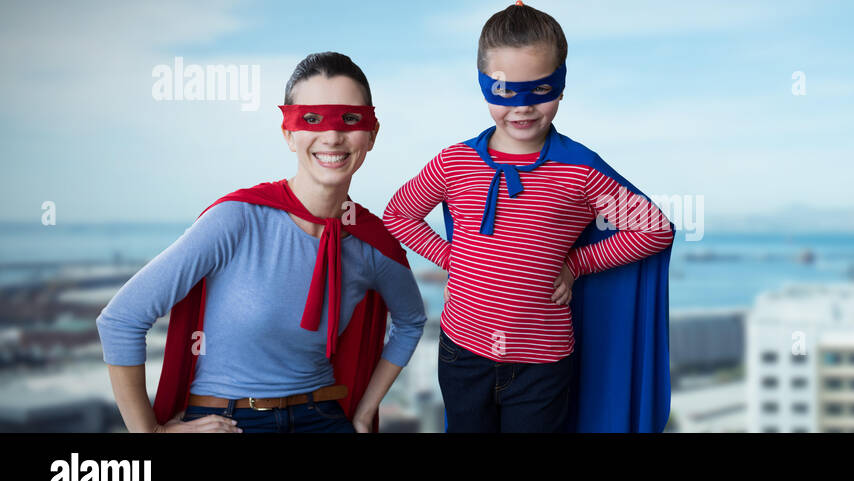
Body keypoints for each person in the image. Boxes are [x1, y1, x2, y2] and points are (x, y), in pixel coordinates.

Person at [96, 52, 427, 433]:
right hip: (229, 420)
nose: (333, 136)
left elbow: (411, 321)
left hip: (322, 416)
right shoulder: (236, 219)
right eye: (312, 118)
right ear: (288, 133)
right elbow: (120, 321)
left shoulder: (372, 242)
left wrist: (366, 410)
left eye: (350, 119)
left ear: (371, 134)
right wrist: (150, 433)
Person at [384, 1, 675, 433]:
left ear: (561, 86)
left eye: (540, 91)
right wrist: (455, 259)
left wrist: (578, 264)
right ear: (481, 84)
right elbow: (399, 215)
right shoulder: (455, 163)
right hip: (462, 353)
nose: (522, 108)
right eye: (504, 91)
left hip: (543, 363)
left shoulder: (580, 170)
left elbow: (655, 229)